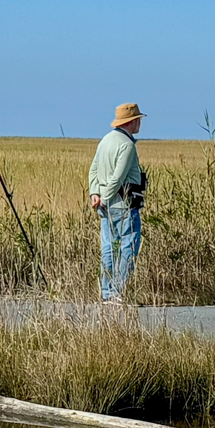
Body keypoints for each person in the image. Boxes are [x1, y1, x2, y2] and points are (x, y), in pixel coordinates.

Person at [88, 103, 146, 304]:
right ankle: (117, 291)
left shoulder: (105, 140)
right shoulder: (126, 145)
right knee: (128, 245)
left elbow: (94, 169)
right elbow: (118, 177)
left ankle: (106, 291)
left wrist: (94, 193)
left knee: (108, 246)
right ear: (133, 121)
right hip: (123, 204)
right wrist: (105, 195)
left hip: (104, 204)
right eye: (138, 119)